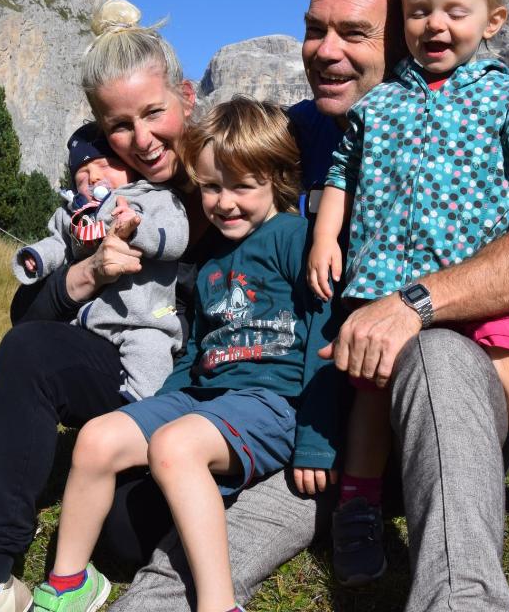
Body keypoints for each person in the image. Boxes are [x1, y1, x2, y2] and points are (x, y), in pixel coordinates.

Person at [110, 0, 509, 612]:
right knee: (186, 562)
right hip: (322, 424)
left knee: (437, 351)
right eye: (315, 29)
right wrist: (110, 181)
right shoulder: (293, 134)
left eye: (353, 34)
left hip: (439, 412)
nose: (324, 52)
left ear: (403, 41)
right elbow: (202, 197)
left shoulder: (477, 120)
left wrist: (413, 304)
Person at [306, 0, 509, 584]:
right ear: (402, 21)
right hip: (381, 279)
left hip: (473, 280)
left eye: (454, 11)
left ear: (493, 22)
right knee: (371, 398)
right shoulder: (379, 104)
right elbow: (342, 172)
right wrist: (327, 237)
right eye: (418, 12)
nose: (434, 24)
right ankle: (357, 504)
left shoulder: (502, 94)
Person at [29, 97, 341, 612]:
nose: (225, 203)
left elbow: (322, 336)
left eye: (243, 186)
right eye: (213, 187)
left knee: (175, 447)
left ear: (277, 179)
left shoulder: (295, 238)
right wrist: (157, 408)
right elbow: (196, 346)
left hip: (271, 402)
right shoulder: (210, 258)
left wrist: (315, 442)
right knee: (97, 438)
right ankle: (69, 585)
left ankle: (218, 604)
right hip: (204, 397)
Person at [0, 0, 202, 612]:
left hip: (206, 396)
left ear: (187, 98)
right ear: (99, 129)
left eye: (155, 113)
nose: (142, 140)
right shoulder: (102, 197)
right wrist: (85, 272)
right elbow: (25, 323)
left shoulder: (228, 176)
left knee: (124, 531)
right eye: (119, 126)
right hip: (135, 382)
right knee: (31, 348)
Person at [12, 120, 188, 401]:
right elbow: (59, 242)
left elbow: (176, 238)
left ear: (131, 166)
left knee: (152, 353)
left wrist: (138, 228)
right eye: (82, 175)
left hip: (144, 320)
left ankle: (141, 410)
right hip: (90, 322)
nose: (93, 178)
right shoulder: (73, 214)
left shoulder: (152, 199)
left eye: (105, 166)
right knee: (39, 348)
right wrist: (37, 258)